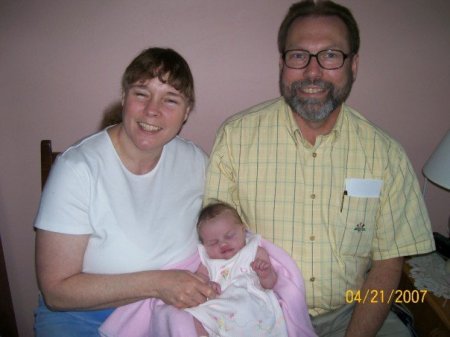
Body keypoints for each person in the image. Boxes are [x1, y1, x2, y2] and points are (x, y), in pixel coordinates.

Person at [204, 1, 435, 336]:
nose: (312, 72)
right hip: (260, 310)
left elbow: (387, 263)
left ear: (353, 65)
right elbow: (215, 245)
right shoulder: (236, 138)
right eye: (299, 55)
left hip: (352, 311)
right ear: (282, 64)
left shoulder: (385, 155)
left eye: (330, 55)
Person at [34, 47, 217, 336]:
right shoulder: (77, 168)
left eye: (170, 99)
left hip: (172, 313)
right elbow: (56, 292)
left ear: (186, 113)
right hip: (85, 318)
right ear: (124, 98)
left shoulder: (196, 162)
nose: (152, 110)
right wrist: (159, 283)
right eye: (141, 93)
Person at [185, 202, 288, 337]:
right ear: (204, 245)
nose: (223, 244)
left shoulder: (254, 252)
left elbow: (270, 284)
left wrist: (265, 273)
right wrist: (207, 285)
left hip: (251, 302)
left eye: (229, 236)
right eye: (213, 242)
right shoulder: (208, 263)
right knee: (194, 317)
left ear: (243, 230)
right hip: (220, 306)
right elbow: (199, 281)